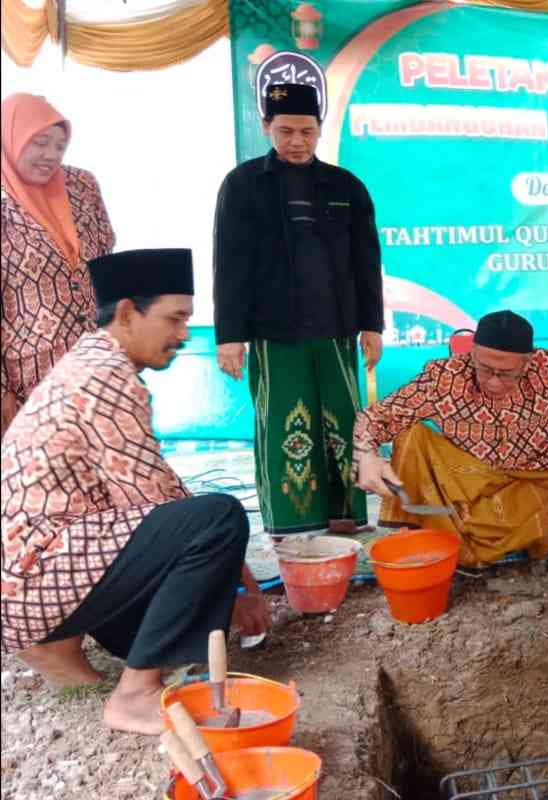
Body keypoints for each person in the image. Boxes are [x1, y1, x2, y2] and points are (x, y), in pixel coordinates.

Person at [1, 249, 269, 736]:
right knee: (221, 517)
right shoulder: (105, 377)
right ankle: (134, 695)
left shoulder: (97, 361)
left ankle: (66, 645)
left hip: (39, 575)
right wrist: (231, 586)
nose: (185, 335)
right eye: (175, 318)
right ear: (127, 313)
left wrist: (241, 586)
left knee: (200, 617)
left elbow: (164, 487)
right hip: (38, 574)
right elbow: (163, 507)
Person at [213, 83, 385, 536]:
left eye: (307, 132)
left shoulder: (346, 187)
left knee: (343, 422)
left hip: (337, 329)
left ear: (319, 130)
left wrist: (372, 325)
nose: (296, 142)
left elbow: (367, 262)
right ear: (267, 127)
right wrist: (229, 335)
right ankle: (290, 520)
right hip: (274, 333)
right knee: (282, 424)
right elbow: (229, 264)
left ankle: (346, 514)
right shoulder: (244, 185)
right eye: (285, 131)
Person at [353, 309, 548, 567]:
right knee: (412, 437)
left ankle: (546, 549)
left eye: (508, 374)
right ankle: (436, 540)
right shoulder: (446, 377)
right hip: (465, 482)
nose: (494, 382)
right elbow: (377, 416)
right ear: (473, 354)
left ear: (529, 361)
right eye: (485, 369)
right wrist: (366, 453)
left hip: (526, 477)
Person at [1, 93, 115, 436]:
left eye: (60, 146)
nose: (51, 155)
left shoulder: (82, 185)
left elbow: (107, 260)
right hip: (30, 375)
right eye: (39, 143)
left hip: (96, 357)